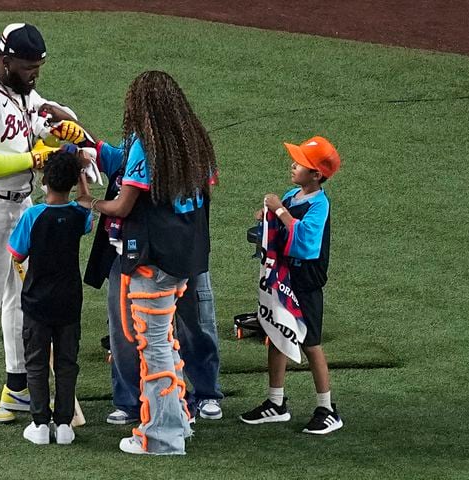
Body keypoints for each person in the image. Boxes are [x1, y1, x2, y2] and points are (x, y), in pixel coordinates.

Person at [0, 22, 85, 423]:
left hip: (16, 205)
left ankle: (17, 386)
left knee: (17, 297)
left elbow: (33, 120)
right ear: (6, 61)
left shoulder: (19, 89)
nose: (34, 74)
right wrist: (33, 159)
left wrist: (57, 125)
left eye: (38, 66)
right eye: (28, 67)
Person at [78, 70, 217, 455]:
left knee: (154, 345)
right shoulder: (194, 143)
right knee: (167, 341)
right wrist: (94, 146)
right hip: (183, 260)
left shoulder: (148, 145)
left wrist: (89, 203)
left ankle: (161, 436)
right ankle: (179, 418)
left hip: (149, 264)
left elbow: (123, 204)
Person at [239, 135, 343, 435]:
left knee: (311, 344)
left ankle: (327, 409)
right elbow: (278, 224)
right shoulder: (292, 194)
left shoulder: (319, 205)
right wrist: (268, 214)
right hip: (283, 279)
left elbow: (306, 244)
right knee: (276, 333)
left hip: (305, 283)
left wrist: (279, 211)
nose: (293, 165)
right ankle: (275, 402)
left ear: (317, 175)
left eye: (301, 164)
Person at [6, 149, 93, 445]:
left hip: (37, 304)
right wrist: (82, 177)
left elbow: (17, 253)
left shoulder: (33, 215)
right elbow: (85, 203)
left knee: (37, 364)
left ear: (44, 180)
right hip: (69, 303)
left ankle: (40, 424)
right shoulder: (79, 215)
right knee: (67, 364)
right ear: (72, 182)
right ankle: (65, 425)